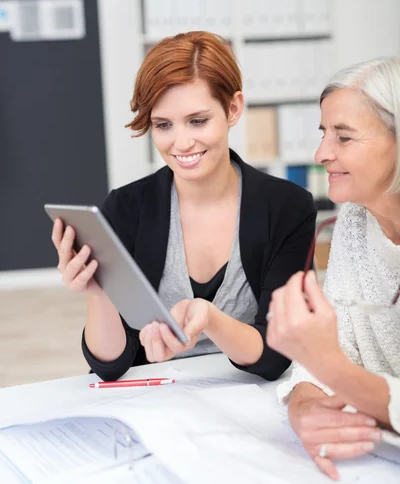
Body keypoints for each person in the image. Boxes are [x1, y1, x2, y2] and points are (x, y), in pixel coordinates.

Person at [52, 31, 316, 382]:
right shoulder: (125, 208)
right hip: (156, 400)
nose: (181, 142)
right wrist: (98, 290)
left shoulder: (288, 207)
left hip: (250, 395)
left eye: (197, 120)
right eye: (163, 125)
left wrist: (210, 318)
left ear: (233, 108)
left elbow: (275, 356)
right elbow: (110, 366)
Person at [266, 56, 400, 481]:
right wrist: (304, 405)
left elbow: (330, 361)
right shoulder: (354, 221)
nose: (321, 153)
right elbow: (335, 347)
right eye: (324, 133)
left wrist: (330, 369)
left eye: (344, 137)